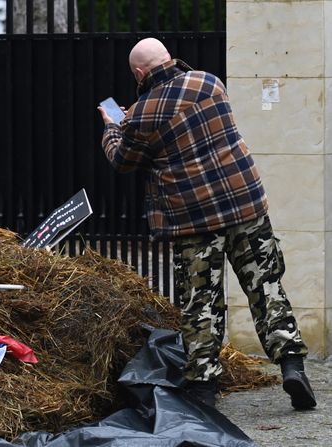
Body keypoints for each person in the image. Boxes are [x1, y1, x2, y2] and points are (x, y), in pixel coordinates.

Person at [97, 37, 316, 410]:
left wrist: (114, 126)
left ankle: (203, 391)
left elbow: (124, 161)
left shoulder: (143, 115)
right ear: (169, 57)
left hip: (192, 219)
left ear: (138, 73)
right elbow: (184, 118)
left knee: (201, 303)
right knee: (266, 287)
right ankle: (292, 366)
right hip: (244, 205)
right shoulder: (210, 83)